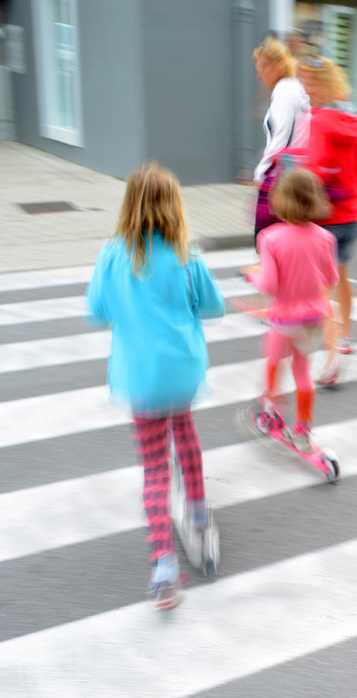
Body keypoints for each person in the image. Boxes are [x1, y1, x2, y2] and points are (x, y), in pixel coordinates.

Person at [85, 162, 225, 610]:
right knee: (185, 436)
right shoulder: (188, 254)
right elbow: (214, 307)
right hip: (182, 372)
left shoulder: (112, 253)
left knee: (154, 469)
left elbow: (96, 310)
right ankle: (200, 516)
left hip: (139, 378)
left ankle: (165, 568)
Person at [296, 55, 357, 385]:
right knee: (341, 278)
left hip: (325, 217)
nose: (305, 89)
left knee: (322, 289)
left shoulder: (316, 121)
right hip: (353, 218)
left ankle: (331, 358)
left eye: (308, 83)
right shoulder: (355, 122)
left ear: (321, 86)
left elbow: (313, 170)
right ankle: (345, 338)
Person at [243, 168, 338, 451]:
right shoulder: (325, 238)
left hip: (284, 317)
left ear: (281, 199)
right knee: (302, 371)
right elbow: (330, 277)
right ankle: (303, 430)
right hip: (313, 317)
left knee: (273, 362)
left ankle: (270, 411)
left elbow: (269, 284)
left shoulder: (270, 238)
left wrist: (252, 275)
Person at [252, 36, 311, 246]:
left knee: (265, 243)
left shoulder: (284, 91)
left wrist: (260, 173)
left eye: (262, 68)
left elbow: (281, 140)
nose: (259, 76)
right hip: (294, 175)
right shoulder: (294, 87)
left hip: (281, 179)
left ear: (277, 66)